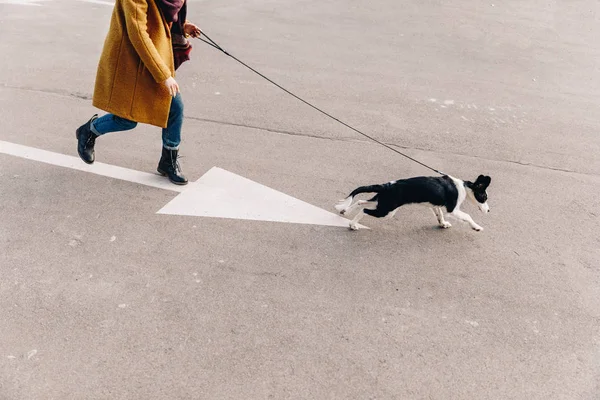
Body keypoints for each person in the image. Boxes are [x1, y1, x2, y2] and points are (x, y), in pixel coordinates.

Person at [75, 0, 201, 185]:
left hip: (150, 57)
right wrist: (163, 74)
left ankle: (168, 160)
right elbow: (138, 32)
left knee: (174, 108)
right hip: (131, 61)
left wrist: (183, 25)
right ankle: (89, 131)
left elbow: (159, 15)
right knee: (127, 120)